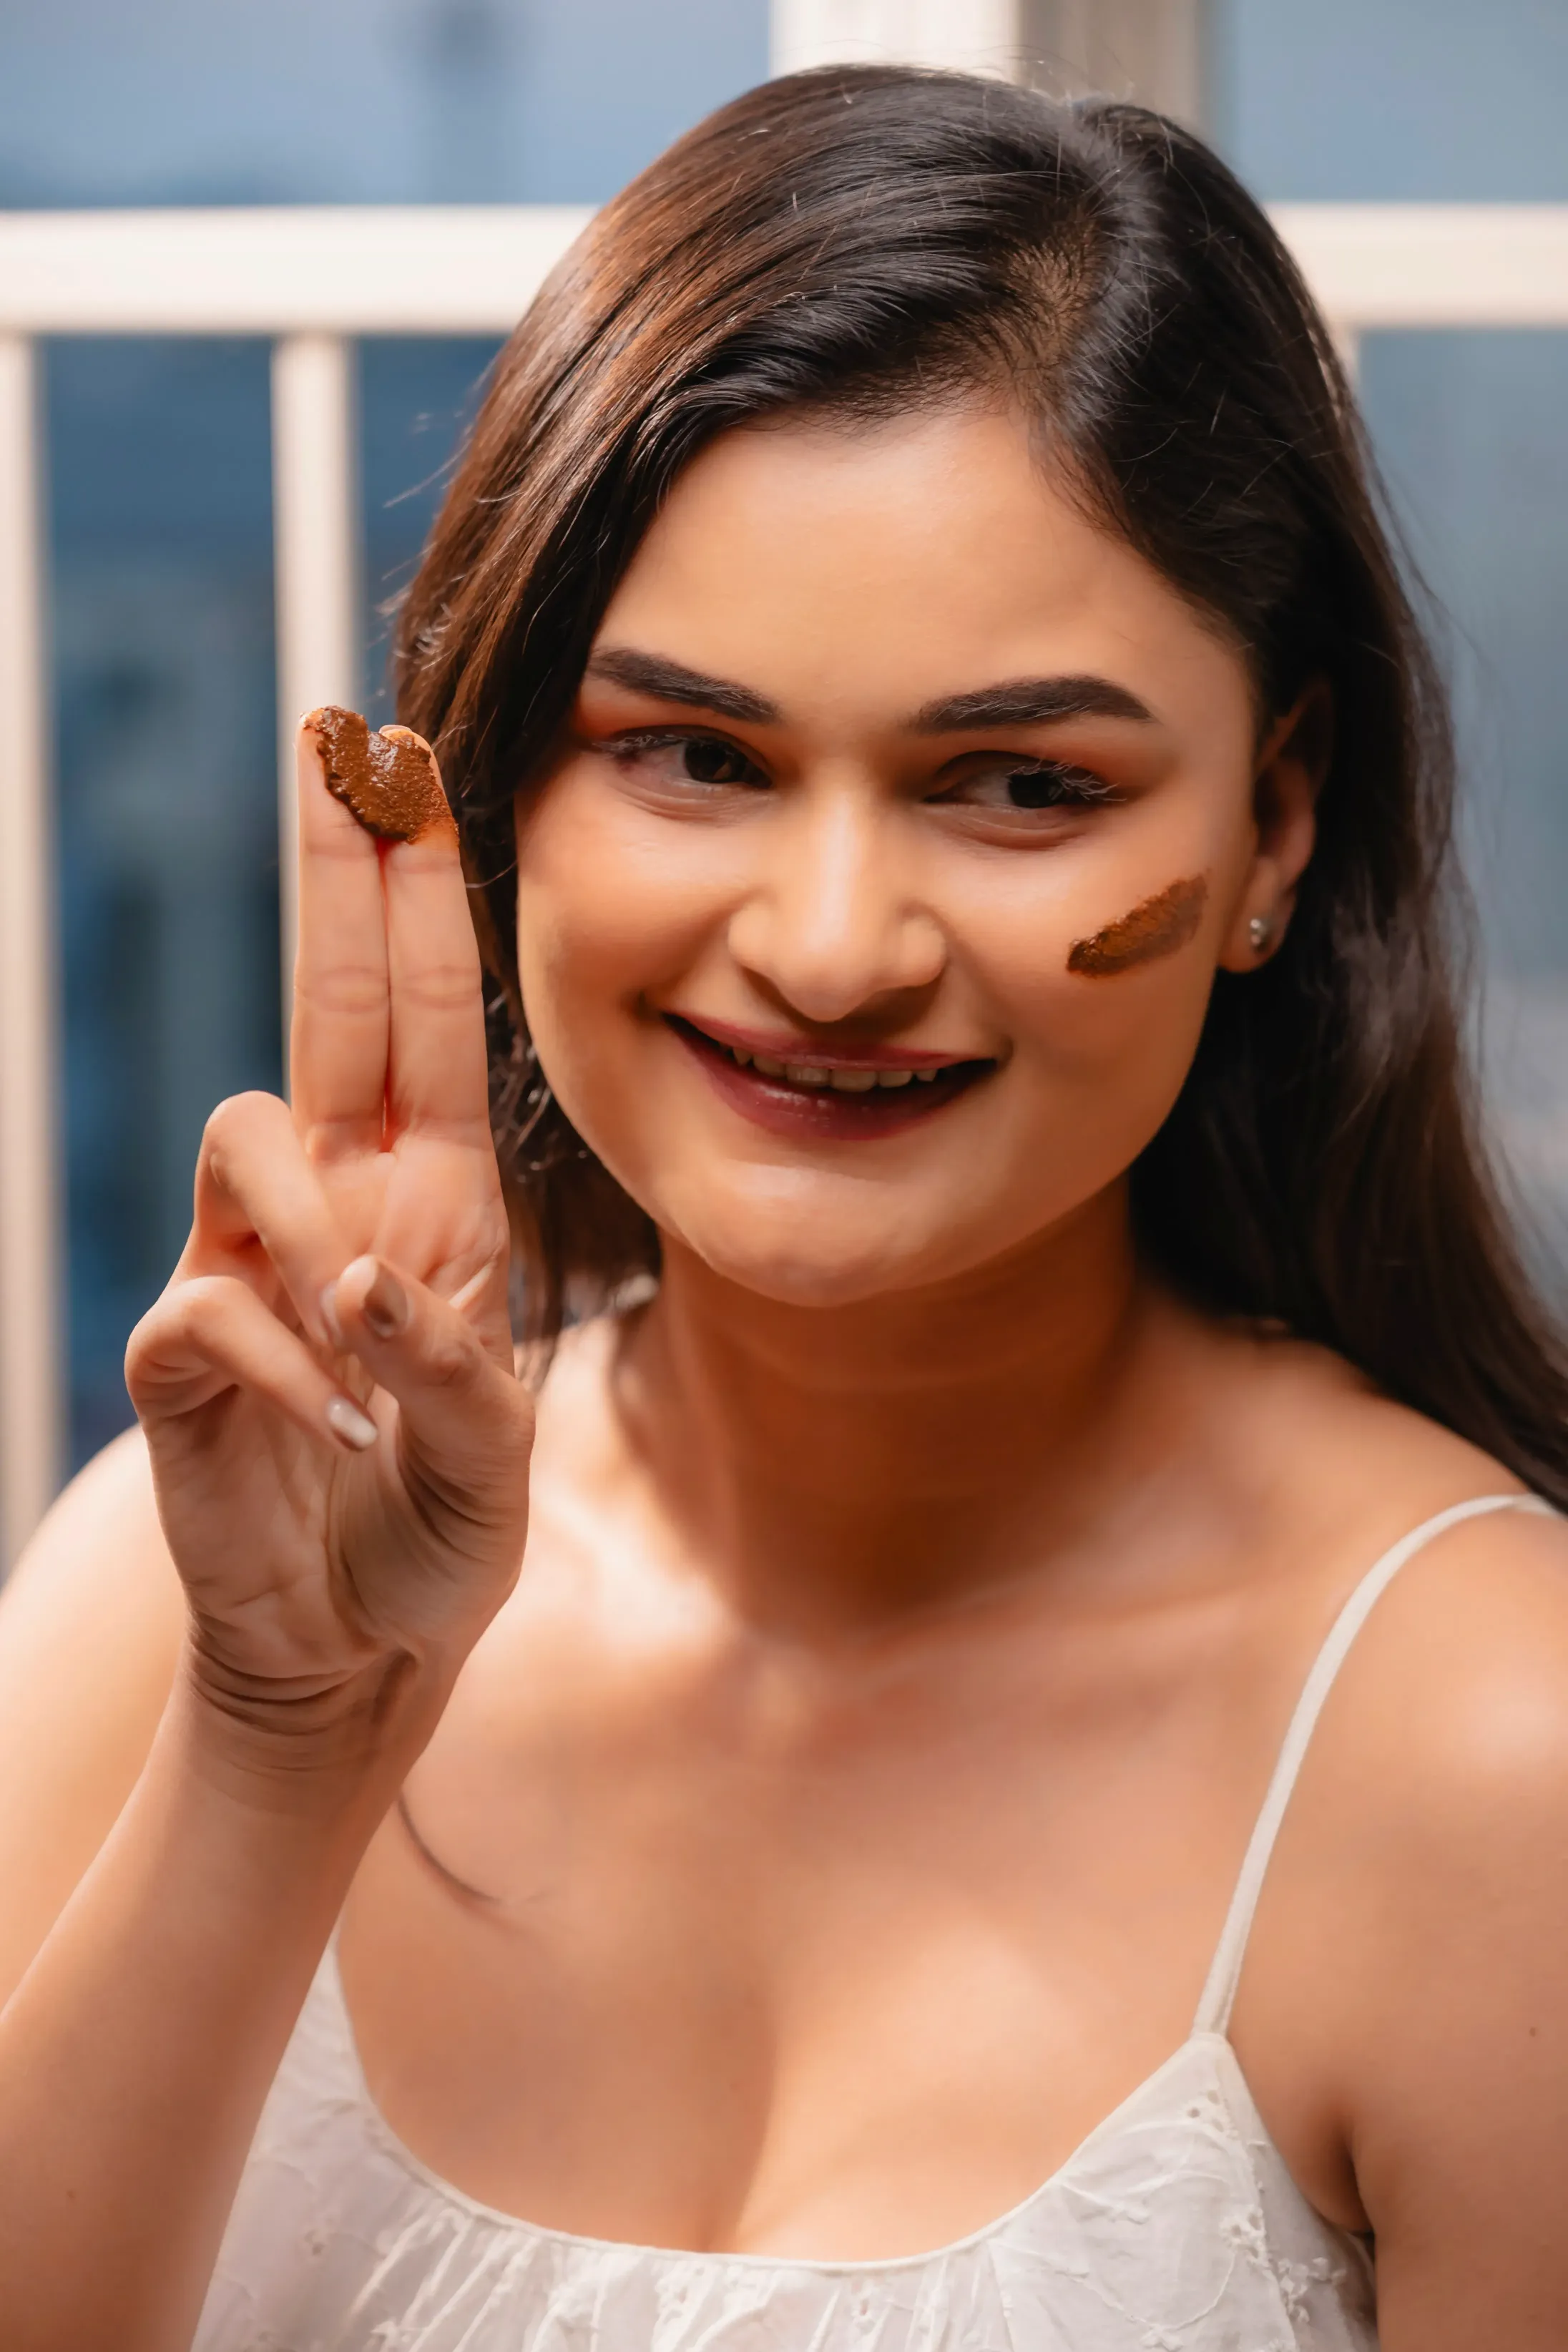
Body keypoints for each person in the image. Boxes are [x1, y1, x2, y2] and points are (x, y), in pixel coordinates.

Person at [1, 64, 1566, 2352]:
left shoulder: (1493, 1757)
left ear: (1277, 827)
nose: (833, 945)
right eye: (696, 755)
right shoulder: (183, 1596)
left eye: (1023, 783)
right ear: (509, 776)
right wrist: (279, 1748)